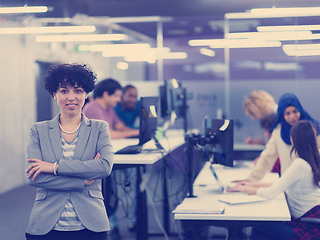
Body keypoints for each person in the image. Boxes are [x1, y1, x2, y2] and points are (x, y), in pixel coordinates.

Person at [25, 64, 114, 240]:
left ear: (86, 94)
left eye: (78, 90)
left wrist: (54, 167)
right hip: (46, 224)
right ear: (54, 94)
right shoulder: (38, 131)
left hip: (91, 223)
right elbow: (35, 177)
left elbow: (104, 167)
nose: (71, 97)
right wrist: (82, 181)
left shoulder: (99, 128)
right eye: (64, 91)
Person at [229, 120, 320, 239]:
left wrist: (243, 189)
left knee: (258, 227)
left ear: (293, 140)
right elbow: (281, 183)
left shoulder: (300, 164)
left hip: (306, 226)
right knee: (261, 232)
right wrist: (251, 185)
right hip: (311, 220)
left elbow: (270, 193)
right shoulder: (312, 159)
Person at [243, 93, 320, 183]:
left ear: (300, 110)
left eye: (295, 111)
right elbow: (267, 157)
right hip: (288, 184)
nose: (292, 117)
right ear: (282, 115)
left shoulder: (313, 129)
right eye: (287, 113)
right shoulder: (278, 131)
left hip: (310, 183)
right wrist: (251, 180)